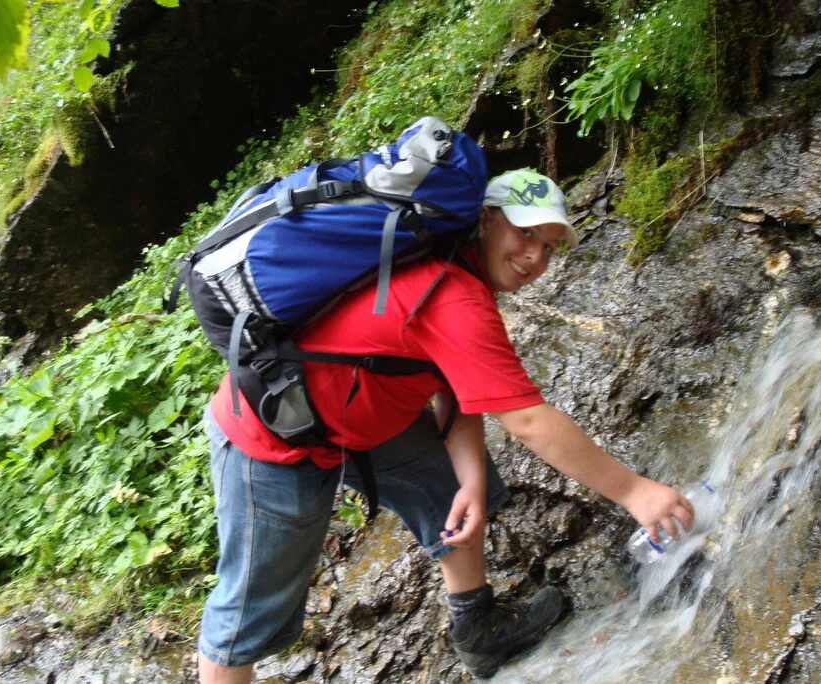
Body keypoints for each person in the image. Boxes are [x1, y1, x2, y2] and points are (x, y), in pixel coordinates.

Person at [197, 168, 695, 683]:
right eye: (525, 233)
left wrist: (470, 484)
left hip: (351, 417)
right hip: (272, 436)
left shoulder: (451, 267)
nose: (535, 257)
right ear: (485, 220)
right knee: (249, 613)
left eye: (548, 246)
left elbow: (455, 392)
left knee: (452, 485)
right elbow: (528, 419)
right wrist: (635, 492)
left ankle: (478, 629)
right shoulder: (451, 293)